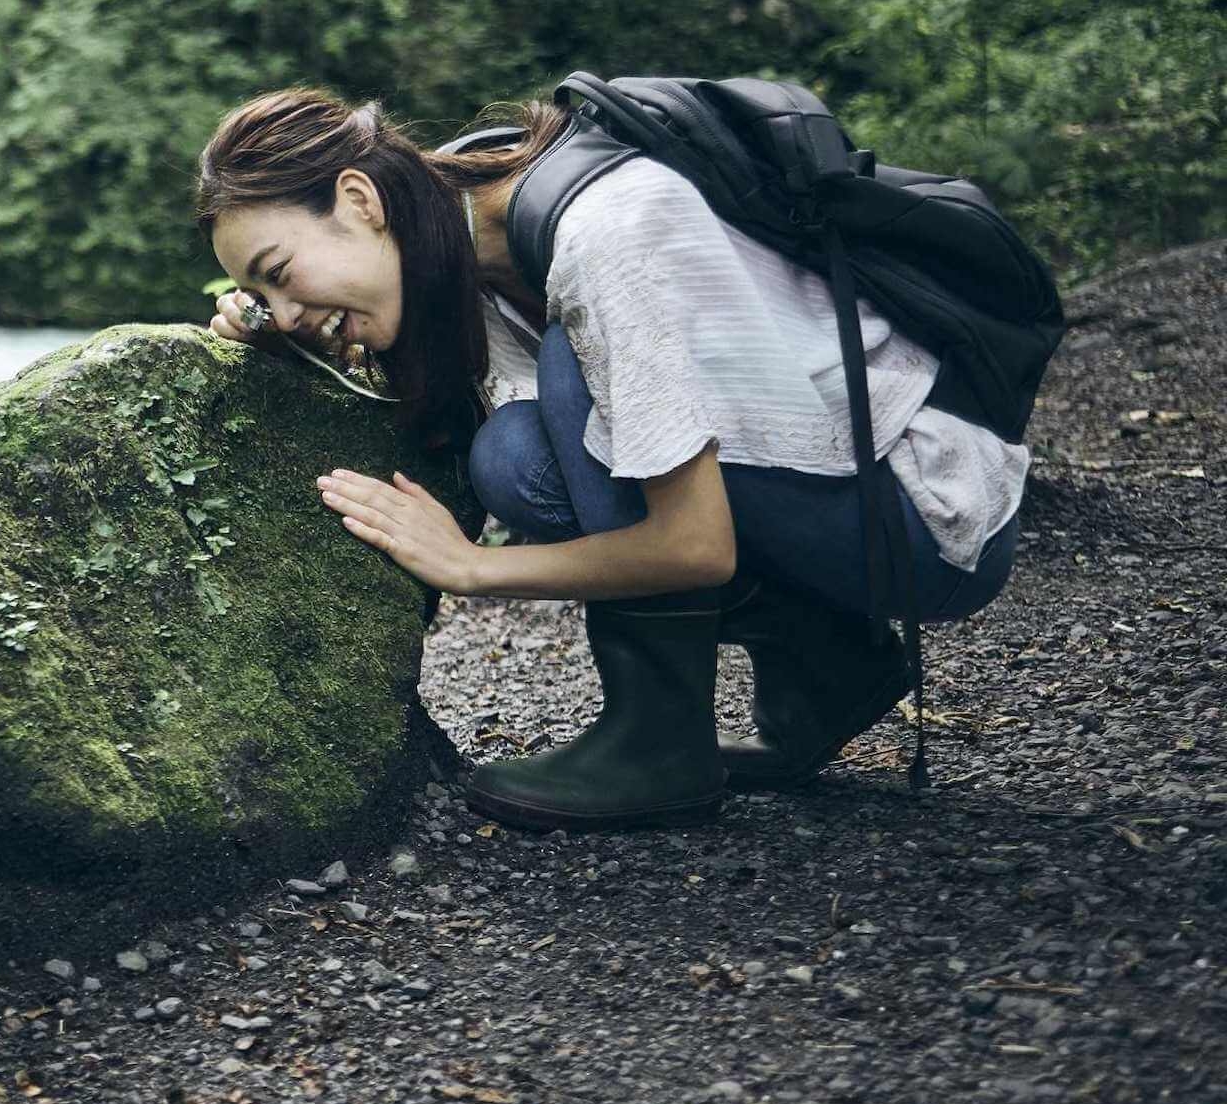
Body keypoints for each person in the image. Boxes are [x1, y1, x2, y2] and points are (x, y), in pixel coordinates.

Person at [192, 88, 1025, 831]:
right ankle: (830, 665)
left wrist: (468, 568)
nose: (285, 312)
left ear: (358, 198)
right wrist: (268, 332)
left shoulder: (601, 237)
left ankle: (658, 741)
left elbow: (697, 548)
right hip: (838, 492)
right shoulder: (464, 217)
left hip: (924, 515)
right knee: (513, 458)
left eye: (279, 276)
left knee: (570, 371)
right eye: (264, 299)